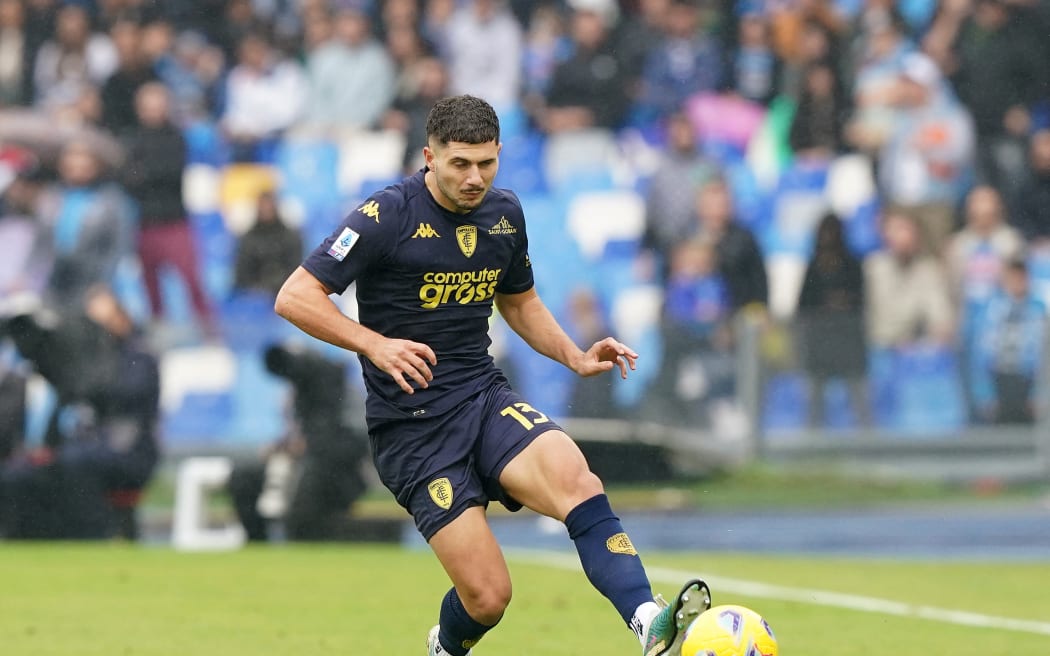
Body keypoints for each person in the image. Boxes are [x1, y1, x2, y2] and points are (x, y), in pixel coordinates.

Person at [275, 95, 710, 656]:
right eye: (460, 164)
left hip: (483, 398)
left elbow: (520, 303)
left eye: (486, 163)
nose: (475, 177)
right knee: (488, 598)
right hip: (413, 429)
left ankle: (647, 618)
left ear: (500, 154)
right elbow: (295, 296)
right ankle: (447, 645)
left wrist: (574, 356)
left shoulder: (505, 214)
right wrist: (373, 344)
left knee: (577, 480)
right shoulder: (386, 216)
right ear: (429, 156)